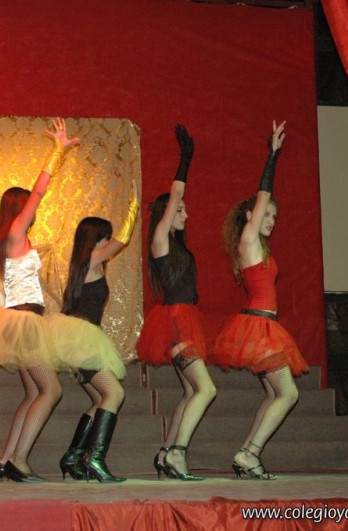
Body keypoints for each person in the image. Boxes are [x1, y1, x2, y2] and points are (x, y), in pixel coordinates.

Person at [0, 117, 79, 483]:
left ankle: (7, 460)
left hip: (24, 320)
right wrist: (56, 153)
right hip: (24, 321)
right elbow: (38, 194)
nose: (31, 213)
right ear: (18, 210)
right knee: (51, 390)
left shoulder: (16, 238)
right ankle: (19, 460)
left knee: (34, 391)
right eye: (26, 208)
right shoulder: (16, 232)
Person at [214, 120, 309, 480]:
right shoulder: (249, 241)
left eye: (274, 217)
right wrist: (273, 154)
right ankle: (250, 453)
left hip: (264, 326)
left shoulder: (260, 247)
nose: (271, 220)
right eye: (265, 214)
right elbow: (263, 193)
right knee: (288, 394)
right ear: (250, 215)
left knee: (274, 395)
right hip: (259, 328)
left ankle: (246, 454)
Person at [136, 124, 217, 481]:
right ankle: (178, 454)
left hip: (182, 322)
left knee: (190, 390)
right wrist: (185, 159)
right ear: (166, 214)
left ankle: (166, 452)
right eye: (179, 210)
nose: (186, 215)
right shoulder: (160, 241)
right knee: (206, 389)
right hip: (175, 325)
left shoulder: (176, 248)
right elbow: (176, 193)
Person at [51, 186, 138, 483]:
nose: (108, 243)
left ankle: (73, 456)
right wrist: (133, 205)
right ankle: (95, 459)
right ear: (96, 239)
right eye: (105, 237)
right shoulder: (91, 258)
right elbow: (123, 240)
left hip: (80, 339)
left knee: (99, 399)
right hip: (83, 340)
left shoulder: (85, 263)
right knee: (115, 394)